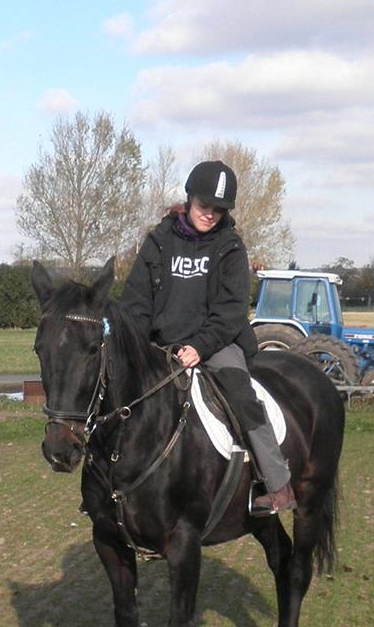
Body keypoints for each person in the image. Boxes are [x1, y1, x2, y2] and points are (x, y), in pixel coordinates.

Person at [120, 160, 297, 515]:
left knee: (241, 395)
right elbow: (136, 302)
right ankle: (102, 485)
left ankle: (278, 484)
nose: (211, 215)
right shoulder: (158, 241)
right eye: (205, 206)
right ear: (188, 199)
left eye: (220, 210)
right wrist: (135, 346)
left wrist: (199, 347)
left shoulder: (230, 247)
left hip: (217, 344)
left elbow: (232, 310)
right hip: (159, 344)